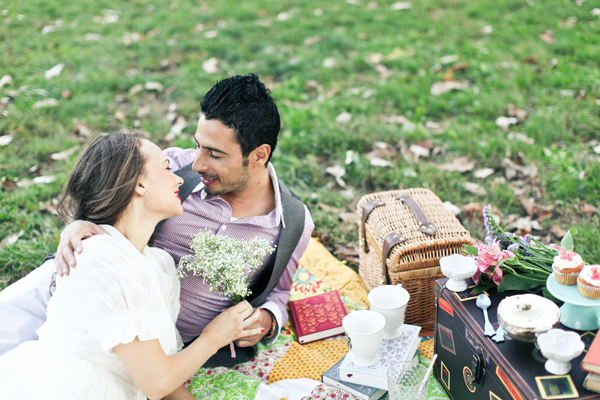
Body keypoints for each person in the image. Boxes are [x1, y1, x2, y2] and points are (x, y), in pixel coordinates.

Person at [0, 74, 314, 365]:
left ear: (259, 155)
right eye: (197, 145)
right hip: (87, 291)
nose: (198, 163)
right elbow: (104, 193)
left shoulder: (291, 224)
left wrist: (268, 320)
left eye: (215, 154)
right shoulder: (169, 169)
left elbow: (280, 293)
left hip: (156, 346)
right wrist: (79, 225)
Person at [0, 133, 263, 399]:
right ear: (140, 184)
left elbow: (163, 376)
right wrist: (214, 337)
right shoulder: (99, 256)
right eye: (167, 168)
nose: (180, 179)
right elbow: (156, 382)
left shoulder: (160, 266)